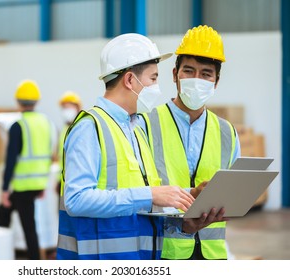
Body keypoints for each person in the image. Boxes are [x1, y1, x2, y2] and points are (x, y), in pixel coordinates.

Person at [57, 33, 226, 260]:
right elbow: (76, 200)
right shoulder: (90, 127)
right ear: (129, 80)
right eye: (153, 78)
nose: (157, 87)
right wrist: (150, 195)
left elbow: (144, 201)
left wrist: (185, 199)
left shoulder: (135, 130)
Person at [139, 25, 241, 260]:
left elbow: (233, 194)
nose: (197, 80)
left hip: (212, 254)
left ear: (216, 81)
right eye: (188, 71)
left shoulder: (227, 132)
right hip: (163, 252)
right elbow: (139, 191)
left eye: (206, 74)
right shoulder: (145, 124)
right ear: (175, 74)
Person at [0, 80, 56, 260]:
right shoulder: (46, 122)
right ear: (36, 102)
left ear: (18, 102)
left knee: (27, 227)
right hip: (37, 184)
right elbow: (48, 154)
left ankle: (28, 262)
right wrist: (43, 184)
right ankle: (4, 251)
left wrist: (5, 189)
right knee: (5, 213)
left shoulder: (18, 125)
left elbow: (10, 160)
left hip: (22, 187)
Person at [54, 91, 82, 195]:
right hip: (64, 181)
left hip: (75, 183)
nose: (66, 111)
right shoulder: (64, 129)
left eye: (69, 107)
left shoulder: (80, 128)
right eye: (64, 108)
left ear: (77, 108)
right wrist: (59, 180)